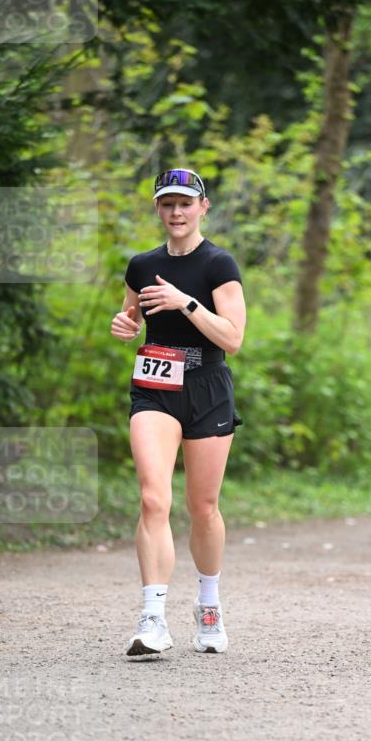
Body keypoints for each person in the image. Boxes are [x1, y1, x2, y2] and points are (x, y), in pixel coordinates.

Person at [111, 168, 246, 659]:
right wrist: (125, 324)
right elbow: (131, 314)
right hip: (155, 388)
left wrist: (185, 302)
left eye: (185, 203)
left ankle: (208, 604)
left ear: (203, 207)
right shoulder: (142, 265)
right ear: (158, 209)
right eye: (167, 204)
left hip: (207, 386)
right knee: (153, 499)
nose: (176, 212)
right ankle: (152, 617)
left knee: (203, 507)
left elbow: (233, 337)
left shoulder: (218, 264)